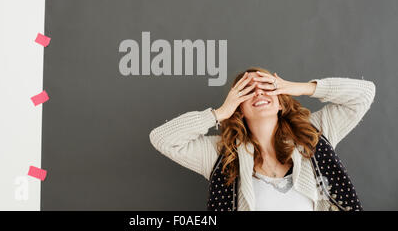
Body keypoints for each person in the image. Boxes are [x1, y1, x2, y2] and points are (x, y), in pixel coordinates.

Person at [149, 67, 376, 211]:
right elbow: (162, 138)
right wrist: (220, 113)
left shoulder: (313, 134)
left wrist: (297, 88)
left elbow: (364, 94)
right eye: (248, 91)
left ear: (280, 101)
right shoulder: (222, 154)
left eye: (267, 87)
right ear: (239, 108)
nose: (259, 93)